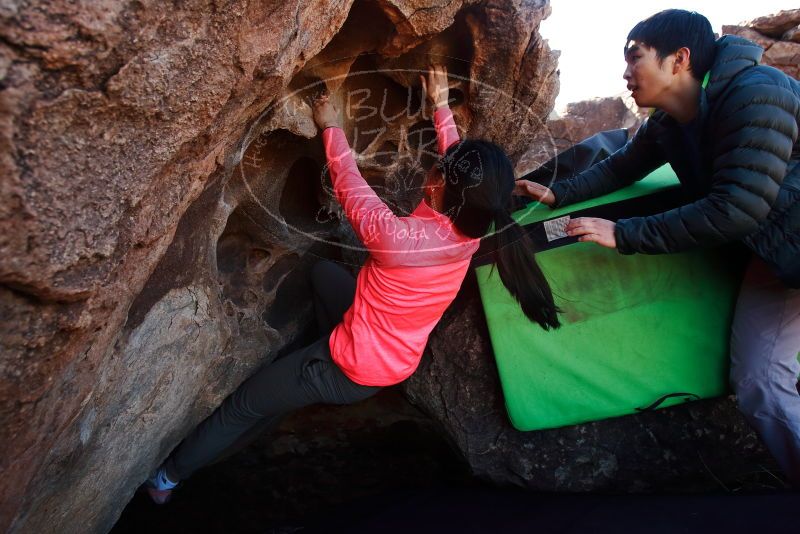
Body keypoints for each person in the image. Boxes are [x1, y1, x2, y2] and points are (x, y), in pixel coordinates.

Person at [144, 66, 560, 503]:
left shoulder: (400, 241)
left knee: (247, 404)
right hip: (392, 357)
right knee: (324, 275)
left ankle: (166, 480)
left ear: (438, 185)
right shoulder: (472, 227)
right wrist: (439, 106)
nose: (434, 168)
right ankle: (310, 363)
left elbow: (350, 186)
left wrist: (331, 126)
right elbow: (461, 166)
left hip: (348, 370)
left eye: (437, 168)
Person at [515, 9, 800, 485]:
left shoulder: (757, 94)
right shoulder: (671, 121)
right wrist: (559, 194)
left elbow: (737, 208)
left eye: (635, 58)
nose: (625, 73)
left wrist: (624, 234)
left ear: (679, 59)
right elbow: (623, 165)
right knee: (759, 384)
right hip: (779, 255)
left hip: (782, 245)